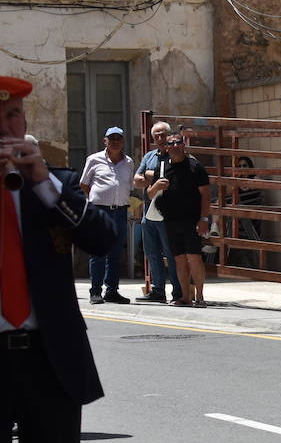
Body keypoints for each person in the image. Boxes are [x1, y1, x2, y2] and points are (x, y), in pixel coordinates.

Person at [1, 76, 118, 443]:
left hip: (46, 362)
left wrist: (44, 181)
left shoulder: (56, 186)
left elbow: (102, 240)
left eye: (16, 116)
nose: (9, 130)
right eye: (0, 120)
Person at [149, 134, 212, 307]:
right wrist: (156, 186)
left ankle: (199, 296)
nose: (175, 145)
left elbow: (206, 194)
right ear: (166, 147)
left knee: (194, 257)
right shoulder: (161, 168)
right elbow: (149, 193)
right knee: (179, 259)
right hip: (170, 220)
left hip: (192, 219)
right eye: (171, 143)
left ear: (184, 145)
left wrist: (204, 218)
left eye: (178, 142)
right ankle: (185, 297)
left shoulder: (194, 166)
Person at [79, 126, 136, 304]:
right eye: (111, 138)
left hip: (120, 211)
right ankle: (95, 291)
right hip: (100, 211)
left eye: (118, 138)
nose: (115, 142)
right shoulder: (94, 159)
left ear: (123, 141)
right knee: (98, 253)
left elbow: (129, 186)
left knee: (116, 254)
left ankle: (112, 290)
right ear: (105, 141)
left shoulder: (128, 162)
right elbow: (84, 185)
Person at [132, 122, 182, 303]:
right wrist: (152, 177)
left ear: (169, 136)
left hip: (168, 214)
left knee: (170, 252)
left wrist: (147, 176)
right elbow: (136, 181)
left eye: (163, 135)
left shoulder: (176, 156)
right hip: (148, 212)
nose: (160, 139)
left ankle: (178, 292)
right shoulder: (149, 156)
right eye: (156, 136)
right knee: (151, 252)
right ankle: (158, 290)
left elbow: (174, 178)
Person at [230, 155, 264, 269]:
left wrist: (244, 179)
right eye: (239, 166)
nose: (242, 168)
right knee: (220, 205)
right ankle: (214, 230)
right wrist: (236, 180)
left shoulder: (254, 179)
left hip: (251, 217)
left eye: (244, 165)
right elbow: (227, 192)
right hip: (238, 218)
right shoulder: (235, 182)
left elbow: (259, 184)